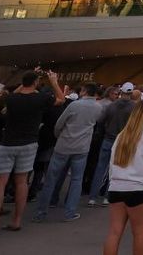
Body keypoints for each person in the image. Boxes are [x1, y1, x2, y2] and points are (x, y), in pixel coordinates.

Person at [0, 69, 63, 236]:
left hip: (7, 142)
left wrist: (24, 84)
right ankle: (16, 220)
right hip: (29, 143)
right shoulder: (40, 98)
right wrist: (54, 82)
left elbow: (9, 96)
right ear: (36, 83)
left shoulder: (11, 98)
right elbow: (61, 99)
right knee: (22, 182)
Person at [102, 99, 143, 255]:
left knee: (114, 232)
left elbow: (112, 161)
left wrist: (112, 182)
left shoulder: (122, 134)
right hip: (139, 187)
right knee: (139, 233)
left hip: (116, 187)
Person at [34, 83, 100, 223]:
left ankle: (42, 211)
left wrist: (59, 135)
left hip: (64, 144)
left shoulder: (75, 105)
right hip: (82, 147)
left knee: (51, 178)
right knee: (76, 179)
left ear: (84, 91)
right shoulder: (98, 107)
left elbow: (60, 123)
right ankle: (70, 212)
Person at [91, 84, 135, 207]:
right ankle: (107, 196)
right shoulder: (134, 107)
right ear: (131, 93)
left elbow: (100, 121)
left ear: (121, 92)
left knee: (100, 167)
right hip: (123, 141)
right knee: (115, 169)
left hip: (108, 138)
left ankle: (92, 197)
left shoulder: (111, 105)